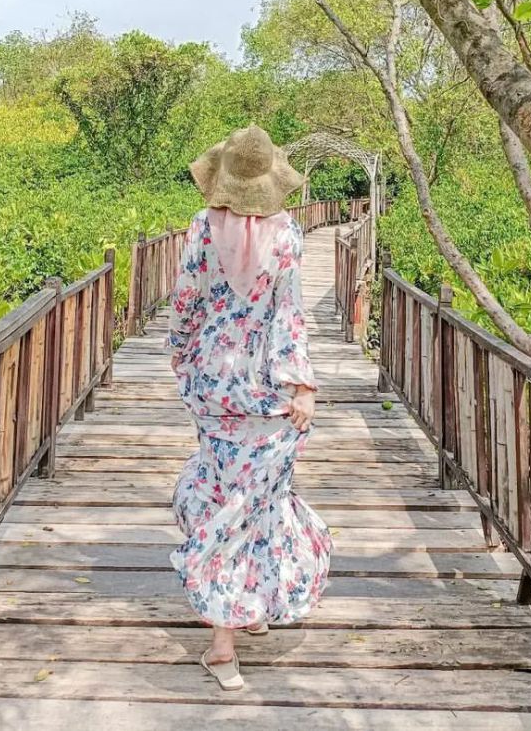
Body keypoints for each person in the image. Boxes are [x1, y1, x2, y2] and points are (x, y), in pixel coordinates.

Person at [165, 125, 332, 691]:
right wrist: (301, 384)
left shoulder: (200, 232)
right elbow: (290, 315)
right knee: (255, 497)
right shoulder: (288, 236)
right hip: (268, 389)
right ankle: (228, 632)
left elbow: (184, 308)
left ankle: (234, 618)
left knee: (224, 492)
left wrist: (183, 361)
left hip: (214, 386)